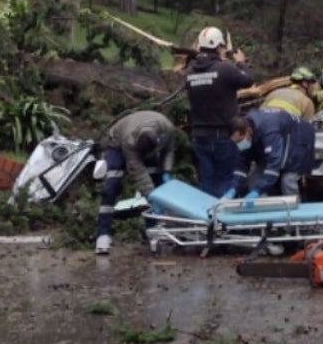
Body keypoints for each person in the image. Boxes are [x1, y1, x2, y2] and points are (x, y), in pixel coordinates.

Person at [184, 25, 253, 196]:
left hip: (199, 135)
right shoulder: (224, 68)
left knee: (207, 178)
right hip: (222, 134)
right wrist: (240, 63)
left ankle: (206, 217)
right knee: (225, 178)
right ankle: (222, 218)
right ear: (218, 46)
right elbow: (248, 80)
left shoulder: (189, 72)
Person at [95, 110, 175, 255]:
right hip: (117, 143)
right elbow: (140, 175)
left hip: (149, 143)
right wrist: (152, 198)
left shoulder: (167, 128)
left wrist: (166, 170)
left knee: (156, 180)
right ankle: (103, 234)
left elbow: (168, 150)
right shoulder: (129, 141)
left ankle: (152, 230)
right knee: (111, 186)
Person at [226, 106, 316, 200]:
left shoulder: (269, 130)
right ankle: (264, 210)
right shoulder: (246, 131)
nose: (239, 145)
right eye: (236, 142)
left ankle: (295, 212)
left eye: (240, 141)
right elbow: (241, 165)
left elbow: (274, 165)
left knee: (287, 181)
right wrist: (233, 188)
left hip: (299, 140)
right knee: (254, 182)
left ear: (249, 131)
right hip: (276, 141)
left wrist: (258, 190)